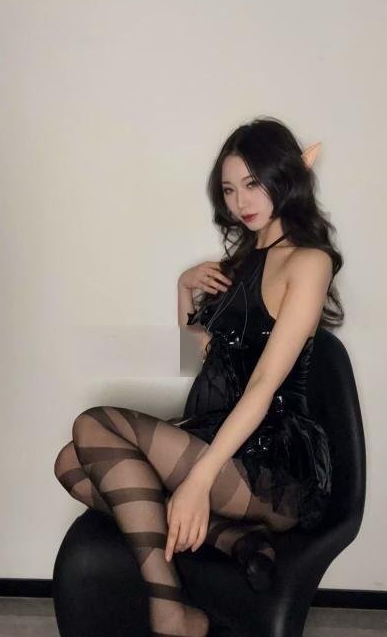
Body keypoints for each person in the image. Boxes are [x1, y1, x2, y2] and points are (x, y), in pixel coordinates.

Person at [53, 116, 344, 637]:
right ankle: (233, 539)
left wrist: (199, 479)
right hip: (225, 436)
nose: (241, 202)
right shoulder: (240, 263)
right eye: (229, 190)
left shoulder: (309, 262)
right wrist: (184, 291)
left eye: (253, 183)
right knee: (71, 463)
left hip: (272, 461)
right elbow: (202, 364)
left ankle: (170, 610)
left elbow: (263, 385)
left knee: (92, 425)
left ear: (283, 178)